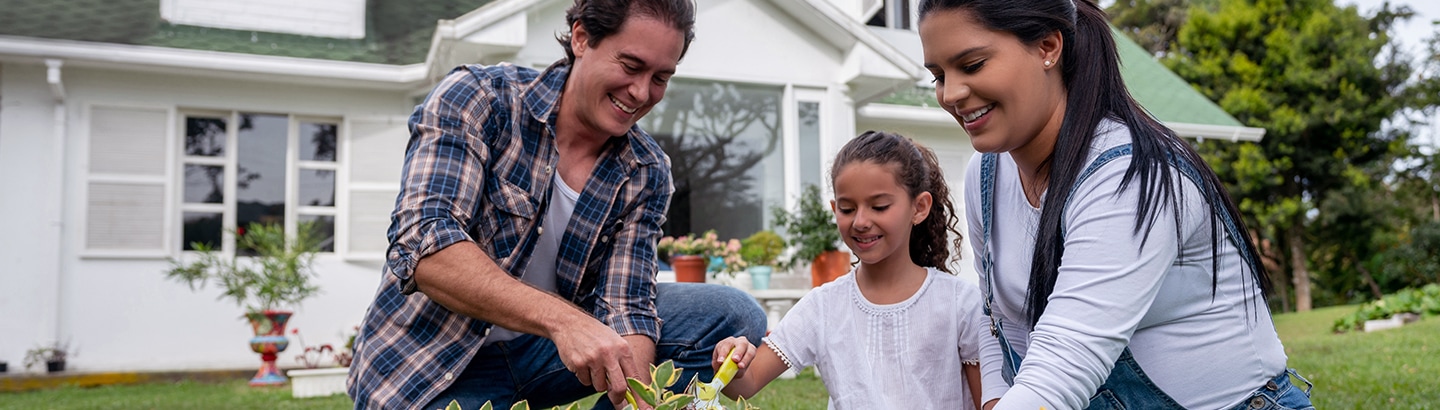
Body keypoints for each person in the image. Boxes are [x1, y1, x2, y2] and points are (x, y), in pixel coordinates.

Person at [345, 0, 767, 408]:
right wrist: (566, 322)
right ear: (582, 38)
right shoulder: (479, 98)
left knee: (730, 313)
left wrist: (637, 396)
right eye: (631, 66)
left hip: (544, 359)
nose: (641, 92)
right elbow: (424, 247)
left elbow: (629, 306)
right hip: (432, 366)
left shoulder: (646, 169)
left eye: (661, 77)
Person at [916, 0, 1315, 409]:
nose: (952, 94)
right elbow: (1000, 319)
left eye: (973, 64)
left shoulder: (1130, 171)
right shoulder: (985, 174)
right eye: (939, 75)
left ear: (1048, 47)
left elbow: (1067, 359)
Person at [711, 131, 1004, 409]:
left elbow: (987, 403)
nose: (860, 221)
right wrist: (733, 363)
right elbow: (746, 385)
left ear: (919, 207)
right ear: (834, 208)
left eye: (879, 207)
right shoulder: (823, 307)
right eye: (847, 209)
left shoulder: (959, 304)